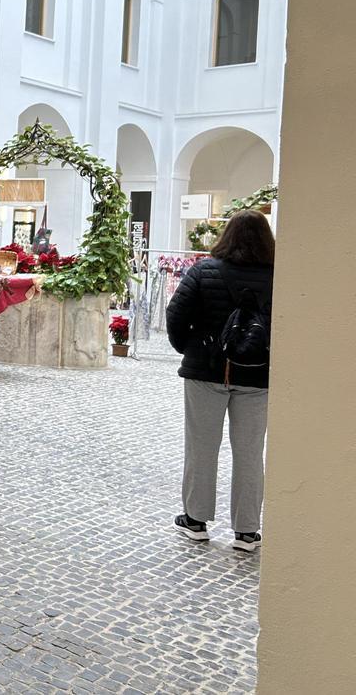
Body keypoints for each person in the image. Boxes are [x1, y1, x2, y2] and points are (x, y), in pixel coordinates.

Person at [166, 209, 275, 552]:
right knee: (250, 452)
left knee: (201, 447)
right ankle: (246, 532)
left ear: (227, 235)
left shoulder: (203, 270)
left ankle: (195, 521)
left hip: (206, 373)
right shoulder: (278, 275)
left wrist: (195, 350)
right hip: (257, 374)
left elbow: (175, 316)